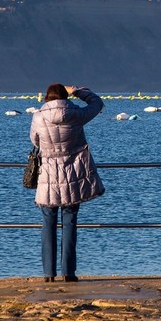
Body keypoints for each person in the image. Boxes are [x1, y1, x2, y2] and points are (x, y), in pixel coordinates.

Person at [29, 83, 105, 282]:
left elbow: (35, 140)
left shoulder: (38, 116)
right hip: (73, 174)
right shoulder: (76, 114)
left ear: (47, 97)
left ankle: (48, 274)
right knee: (70, 221)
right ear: (65, 96)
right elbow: (97, 104)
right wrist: (78, 91)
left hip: (48, 175)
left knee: (48, 222)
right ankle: (68, 273)